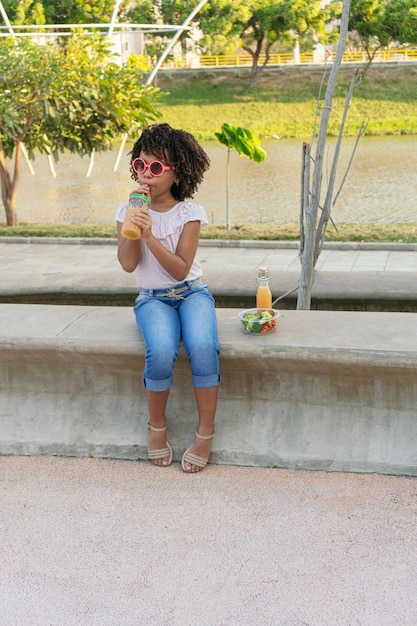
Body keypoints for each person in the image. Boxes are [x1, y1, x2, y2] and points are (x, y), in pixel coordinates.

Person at [115, 123, 220, 473]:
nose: (146, 174)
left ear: (176, 174)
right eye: (140, 165)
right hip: (152, 299)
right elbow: (129, 265)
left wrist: (150, 237)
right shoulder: (127, 210)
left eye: (156, 168)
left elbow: (180, 270)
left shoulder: (189, 214)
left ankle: (205, 432)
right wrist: (134, 226)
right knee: (160, 351)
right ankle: (156, 426)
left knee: (202, 347)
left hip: (192, 294)